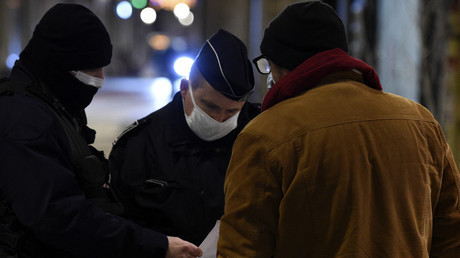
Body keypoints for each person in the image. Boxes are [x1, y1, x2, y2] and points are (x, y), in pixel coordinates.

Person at [217, 1, 460, 257]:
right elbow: (451, 236)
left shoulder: (265, 135)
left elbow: (242, 248)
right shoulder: (421, 122)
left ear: (280, 65)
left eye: (268, 65)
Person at [0, 3, 202, 258]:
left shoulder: (51, 103)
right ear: (59, 64)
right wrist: (156, 245)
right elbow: (61, 217)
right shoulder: (24, 119)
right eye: (91, 69)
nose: (100, 78)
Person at [109, 29, 260, 246]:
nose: (219, 119)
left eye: (231, 112)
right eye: (210, 107)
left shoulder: (259, 138)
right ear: (184, 88)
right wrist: (158, 247)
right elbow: (116, 225)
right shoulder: (141, 144)